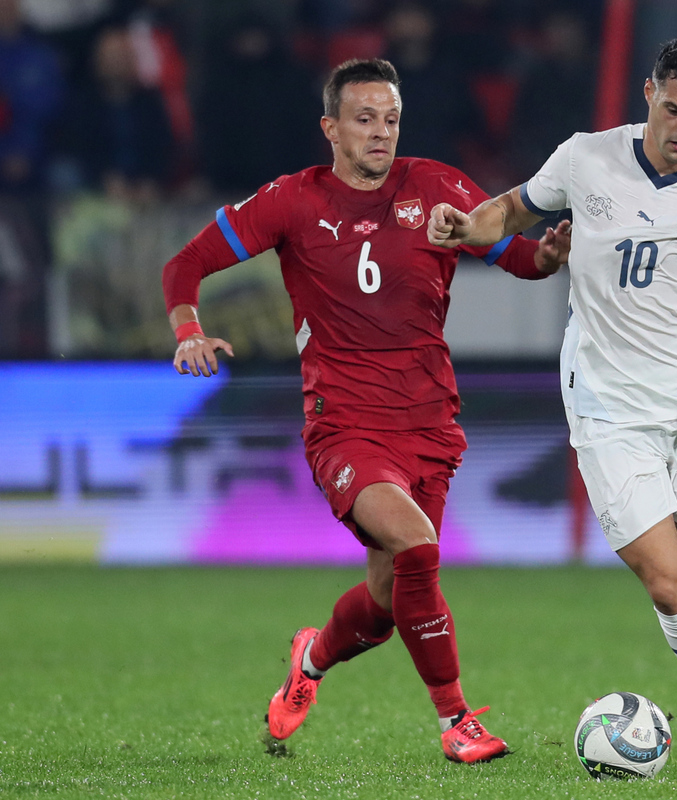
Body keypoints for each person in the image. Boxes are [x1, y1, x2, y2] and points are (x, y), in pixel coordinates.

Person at [162, 58, 571, 763]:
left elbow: (517, 259)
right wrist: (189, 330)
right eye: (363, 119)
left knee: (386, 607)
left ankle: (311, 659)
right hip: (345, 424)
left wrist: (551, 254)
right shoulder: (290, 202)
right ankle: (455, 722)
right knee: (418, 545)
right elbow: (184, 266)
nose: (380, 133)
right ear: (331, 128)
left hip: (430, 423)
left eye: (390, 119)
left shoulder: (439, 187)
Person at [429, 36, 677, 774]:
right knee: (669, 585)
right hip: (606, 410)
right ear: (648, 95)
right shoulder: (585, 157)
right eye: (672, 109)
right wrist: (473, 229)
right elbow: (513, 209)